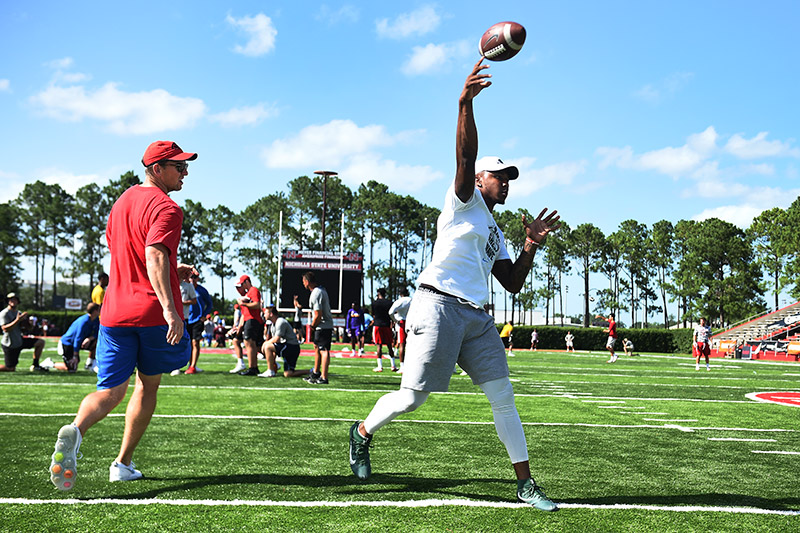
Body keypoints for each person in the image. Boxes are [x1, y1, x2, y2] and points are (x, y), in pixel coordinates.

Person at [348, 59, 561, 511]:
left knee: (503, 397)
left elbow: (513, 284)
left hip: (478, 318)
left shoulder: (497, 231)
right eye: (499, 175)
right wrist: (464, 105)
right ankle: (363, 432)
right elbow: (464, 157)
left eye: (508, 178)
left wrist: (530, 245)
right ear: (480, 180)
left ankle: (525, 484)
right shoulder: (463, 201)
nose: (505, 182)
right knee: (412, 398)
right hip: (438, 306)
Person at [49, 140, 196, 491]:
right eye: (179, 166)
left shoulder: (121, 203)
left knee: (110, 391)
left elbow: (129, 254)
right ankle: (122, 463)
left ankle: (76, 430)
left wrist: (176, 271)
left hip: (115, 312)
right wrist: (170, 309)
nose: (186, 172)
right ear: (156, 169)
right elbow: (154, 256)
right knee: (147, 385)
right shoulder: (168, 208)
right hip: (151, 313)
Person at [260, 306, 311, 378]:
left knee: (267, 346)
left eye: (265, 313)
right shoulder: (273, 325)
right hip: (287, 346)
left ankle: (270, 371)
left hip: (292, 347)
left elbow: (276, 339)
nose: (264, 315)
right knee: (288, 374)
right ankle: (310, 371)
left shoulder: (280, 322)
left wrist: (265, 344)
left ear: (271, 314)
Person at [0, 292, 47, 372]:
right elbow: (5, 329)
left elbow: (25, 329)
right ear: (8, 301)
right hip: (10, 344)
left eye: (15, 299)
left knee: (40, 342)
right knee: (10, 369)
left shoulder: (19, 313)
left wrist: (30, 324)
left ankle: (35, 365)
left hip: (19, 341)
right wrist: (17, 320)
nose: (13, 301)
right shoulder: (4, 313)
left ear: (18, 302)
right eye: (11, 300)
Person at [302, 271, 333, 384]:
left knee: (324, 350)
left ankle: (324, 377)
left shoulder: (316, 293)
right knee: (316, 347)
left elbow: (318, 314)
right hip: (323, 325)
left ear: (307, 281)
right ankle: (316, 372)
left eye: (303, 281)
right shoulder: (320, 290)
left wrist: (312, 326)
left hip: (323, 326)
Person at [51, 303, 100, 372]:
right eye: (99, 309)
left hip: (81, 342)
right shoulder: (84, 321)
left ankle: (91, 364)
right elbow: (77, 338)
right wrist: (75, 355)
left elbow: (97, 333)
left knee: (97, 341)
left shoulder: (96, 320)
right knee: (72, 368)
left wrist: (89, 339)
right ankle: (50, 364)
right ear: (95, 311)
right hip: (68, 343)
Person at [235, 275, 265, 376]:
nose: (241, 287)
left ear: (246, 282)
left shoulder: (253, 290)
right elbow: (244, 313)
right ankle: (254, 367)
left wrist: (243, 304)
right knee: (253, 344)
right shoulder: (248, 293)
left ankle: (253, 367)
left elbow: (256, 304)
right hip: (250, 320)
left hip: (253, 320)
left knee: (249, 343)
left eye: (242, 284)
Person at [184, 272, 212, 374]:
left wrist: (204, 315)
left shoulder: (202, 290)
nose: (193, 279)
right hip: (186, 319)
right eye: (191, 277)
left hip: (197, 320)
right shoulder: (184, 288)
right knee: (187, 343)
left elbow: (209, 304)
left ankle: (193, 366)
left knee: (195, 342)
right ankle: (188, 364)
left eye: (195, 277)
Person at [371, 288, 397, 372]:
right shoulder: (390, 303)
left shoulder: (374, 303)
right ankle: (393, 365)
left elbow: (373, 315)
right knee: (389, 345)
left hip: (377, 325)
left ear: (378, 293)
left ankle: (380, 366)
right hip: (386, 325)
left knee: (379, 345)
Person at [389, 287, 412, 372]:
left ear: (400, 294)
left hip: (402, 322)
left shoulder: (399, 301)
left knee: (401, 344)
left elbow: (390, 312)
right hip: (411, 321)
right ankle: (410, 365)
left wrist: (396, 321)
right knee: (412, 345)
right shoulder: (412, 300)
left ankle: (402, 366)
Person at [228, 303, 246, 373]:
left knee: (254, 345)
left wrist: (236, 326)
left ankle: (273, 362)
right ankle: (240, 362)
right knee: (235, 341)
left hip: (245, 325)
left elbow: (238, 319)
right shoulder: (240, 311)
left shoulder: (238, 311)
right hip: (242, 326)